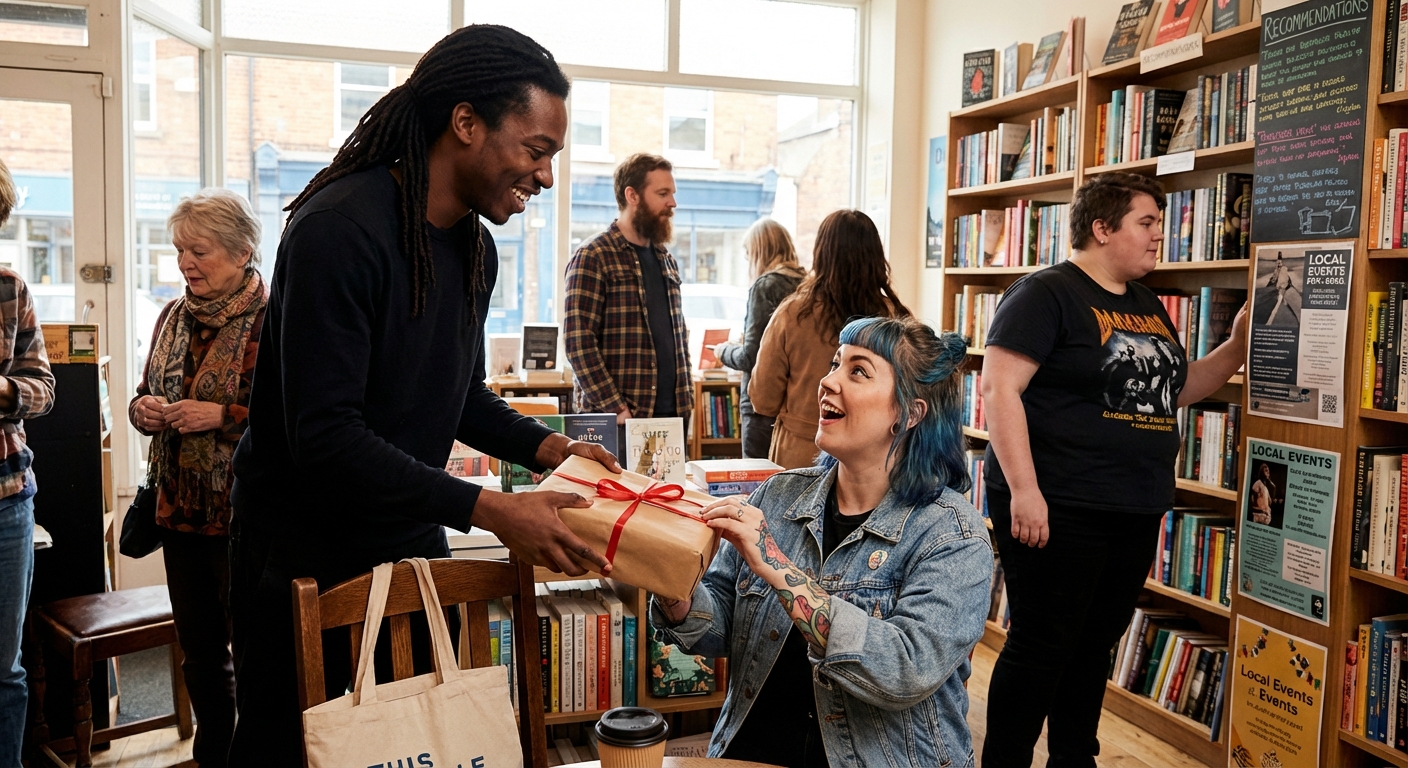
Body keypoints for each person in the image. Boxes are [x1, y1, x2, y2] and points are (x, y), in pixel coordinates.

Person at [227, 26, 621, 765]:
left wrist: (550, 448)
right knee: (299, 750)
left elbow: (458, 395)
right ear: (465, 123)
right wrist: (495, 511)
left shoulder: (474, 246)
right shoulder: (337, 231)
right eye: (535, 151)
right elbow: (328, 437)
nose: (544, 176)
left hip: (404, 536)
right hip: (302, 552)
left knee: (415, 744)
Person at [978, 173, 1248, 767]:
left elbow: (1173, 391)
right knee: (1042, 646)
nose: (1159, 237)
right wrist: (1025, 490)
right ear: (1102, 228)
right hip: (1058, 505)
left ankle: (1075, 760)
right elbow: (999, 391)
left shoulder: (1147, 305)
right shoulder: (1045, 294)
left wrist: (1234, 347)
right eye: (1146, 223)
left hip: (1133, 505)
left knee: (1094, 646)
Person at [652, 316, 992, 767]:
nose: (827, 381)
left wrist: (774, 563)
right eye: (835, 364)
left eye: (858, 371)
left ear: (909, 414)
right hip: (749, 754)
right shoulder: (777, 494)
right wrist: (669, 578)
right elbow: (718, 630)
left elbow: (903, 669)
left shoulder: (954, 534)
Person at [128, 189, 266, 768]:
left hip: (247, 517)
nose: (185, 263)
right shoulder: (171, 315)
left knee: (259, 654)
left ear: (242, 251)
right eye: (180, 250)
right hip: (178, 511)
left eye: (199, 250)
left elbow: (296, 417)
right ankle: (214, 753)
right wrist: (145, 411)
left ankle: (257, 755)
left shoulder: (277, 318)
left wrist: (223, 416)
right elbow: (142, 394)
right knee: (200, 653)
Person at [750, 209, 910, 469]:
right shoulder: (894, 319)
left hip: (802, 456)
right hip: (872, 458)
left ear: (820, 253)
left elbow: (762, 398)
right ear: (875, 256)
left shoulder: (793, 314)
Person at [564, 153, 694, 448]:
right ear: (632, 195)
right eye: (663, 194)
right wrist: (616, 408)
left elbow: (675, 334)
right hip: (618, 422)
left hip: (669, 420)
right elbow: (578, 342)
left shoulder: (666, 259)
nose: (672, 203)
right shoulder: (593, 255)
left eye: (672, 193)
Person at [0, 159, 54, 768]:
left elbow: (42, 386)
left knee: (4, 669)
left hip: (8, 500)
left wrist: (7, 393)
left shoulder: (9, 288)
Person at [711, 218, 807, 459]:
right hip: (795, 406)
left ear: (759, 253)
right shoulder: (807, 285)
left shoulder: (764, 286)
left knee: (755, 486)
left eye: (748, 255)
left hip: (760, 408)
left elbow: (750, 357)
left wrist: (723, 351)